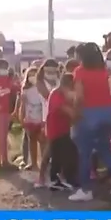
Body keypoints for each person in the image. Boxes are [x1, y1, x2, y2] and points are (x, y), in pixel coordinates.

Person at [68, 42, 111, 201]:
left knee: (84, 153)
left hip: (89, 115)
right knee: (105, 149)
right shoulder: (104, 71)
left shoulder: (80, 72)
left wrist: (75, 113)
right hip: (107, 114)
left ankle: (85, 190)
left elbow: (80, 97)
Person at [35, 59, 65, 189]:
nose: (52, 74)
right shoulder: (41, 83)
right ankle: (41, 177)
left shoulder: (59, 81)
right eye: (49, 71)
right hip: (48, 118)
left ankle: (61, 176)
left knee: (62, 149)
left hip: (62, 117)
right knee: (48, 150)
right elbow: (49, 97)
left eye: (54, 71)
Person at [46, 72, 77, 191]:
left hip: (64, 129)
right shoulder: (56, 95)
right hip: (56, 130)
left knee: (63, 155)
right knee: (60, 155)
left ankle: (58, 179)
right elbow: (68, 111)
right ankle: (56, 180)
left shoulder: (62, 94)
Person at [17, 67, 46, 172]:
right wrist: (21, 117)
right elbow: (22, 105)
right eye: (30, 75)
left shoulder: (42, 88)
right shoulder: (25, 90)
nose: (32, 78)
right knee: (32, 141)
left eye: (34, 75)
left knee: (43, 142)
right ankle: (34, 163)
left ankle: (44, 163)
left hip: (41, 119)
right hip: (30, 119)